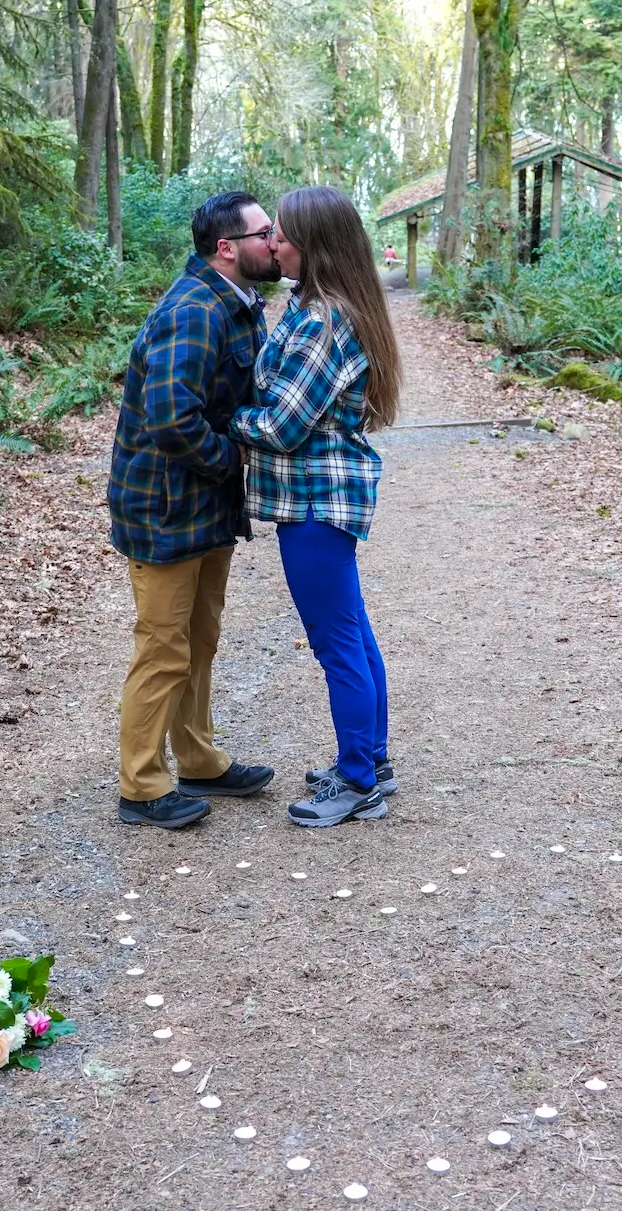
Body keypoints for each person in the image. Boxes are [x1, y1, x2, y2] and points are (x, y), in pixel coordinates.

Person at [106, 191, 282, 829]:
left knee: (199, 639)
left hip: (205, 503)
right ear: (228, 248)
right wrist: (234, 461)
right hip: (164, 507)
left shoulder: (237, 305)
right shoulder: (194, 312)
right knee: (163, 645)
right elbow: (171, 419)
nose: (277, 240)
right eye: (266, 232)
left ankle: (199, 758)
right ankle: (142, 785)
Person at [229, 186, 402, 828]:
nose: (271, 242)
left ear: (312, 243)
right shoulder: (314, 306)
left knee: (337, 644)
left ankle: (359, 780)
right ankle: (372, 761)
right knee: (352, 632)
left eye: (280, 233)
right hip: (319, 498)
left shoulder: (327, 321)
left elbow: (281, 425)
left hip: (316, 500)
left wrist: (220, 416)